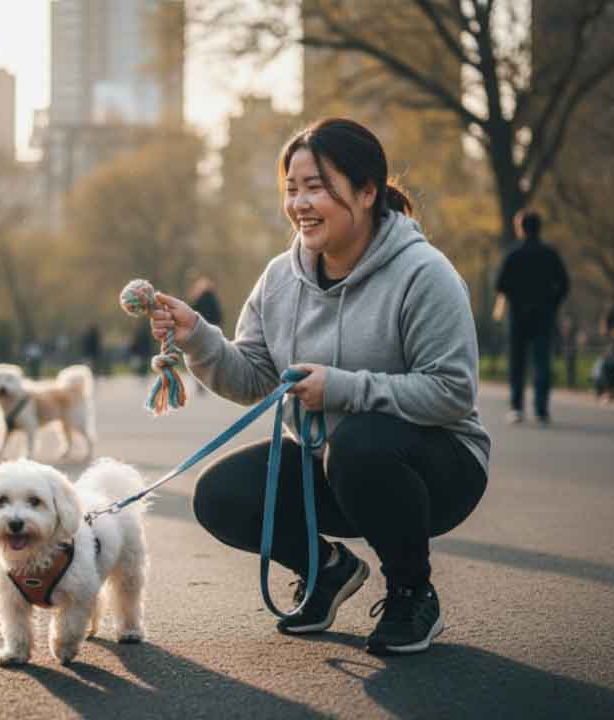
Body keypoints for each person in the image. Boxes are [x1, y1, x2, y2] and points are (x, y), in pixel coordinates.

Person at [148, 118, 489, 655]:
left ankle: (411, 592)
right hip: (333, 464)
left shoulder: (425, 274)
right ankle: (326, 569)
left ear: (367, 191)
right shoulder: (280, 280)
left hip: (437, 468)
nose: (300, 203)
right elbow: (255, 377)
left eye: (316, 187)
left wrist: (344, 389)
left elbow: (452, 392)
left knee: (358, 442)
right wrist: (199, 338)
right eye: (292, 188)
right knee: (219, 494)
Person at [494, 210, 568, 424]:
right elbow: (564, 284)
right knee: (541, 360)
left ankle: (517, 407)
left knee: (517, 361)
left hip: (518, 315)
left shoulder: (513, 254)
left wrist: (514, 295)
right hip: (544, 316)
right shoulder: (550, 254)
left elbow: (500, 285)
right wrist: (552, 304)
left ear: (521, 228)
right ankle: (541, 409)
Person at [188, 275, 223, 394]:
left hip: (198, 332)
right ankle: (208, 382)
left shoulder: (197, 300)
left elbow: (190, 314)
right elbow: (219, 316)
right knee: (209, 359)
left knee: (197, 357)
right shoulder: (214, 299)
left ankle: (199, 383)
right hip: (211, 332)